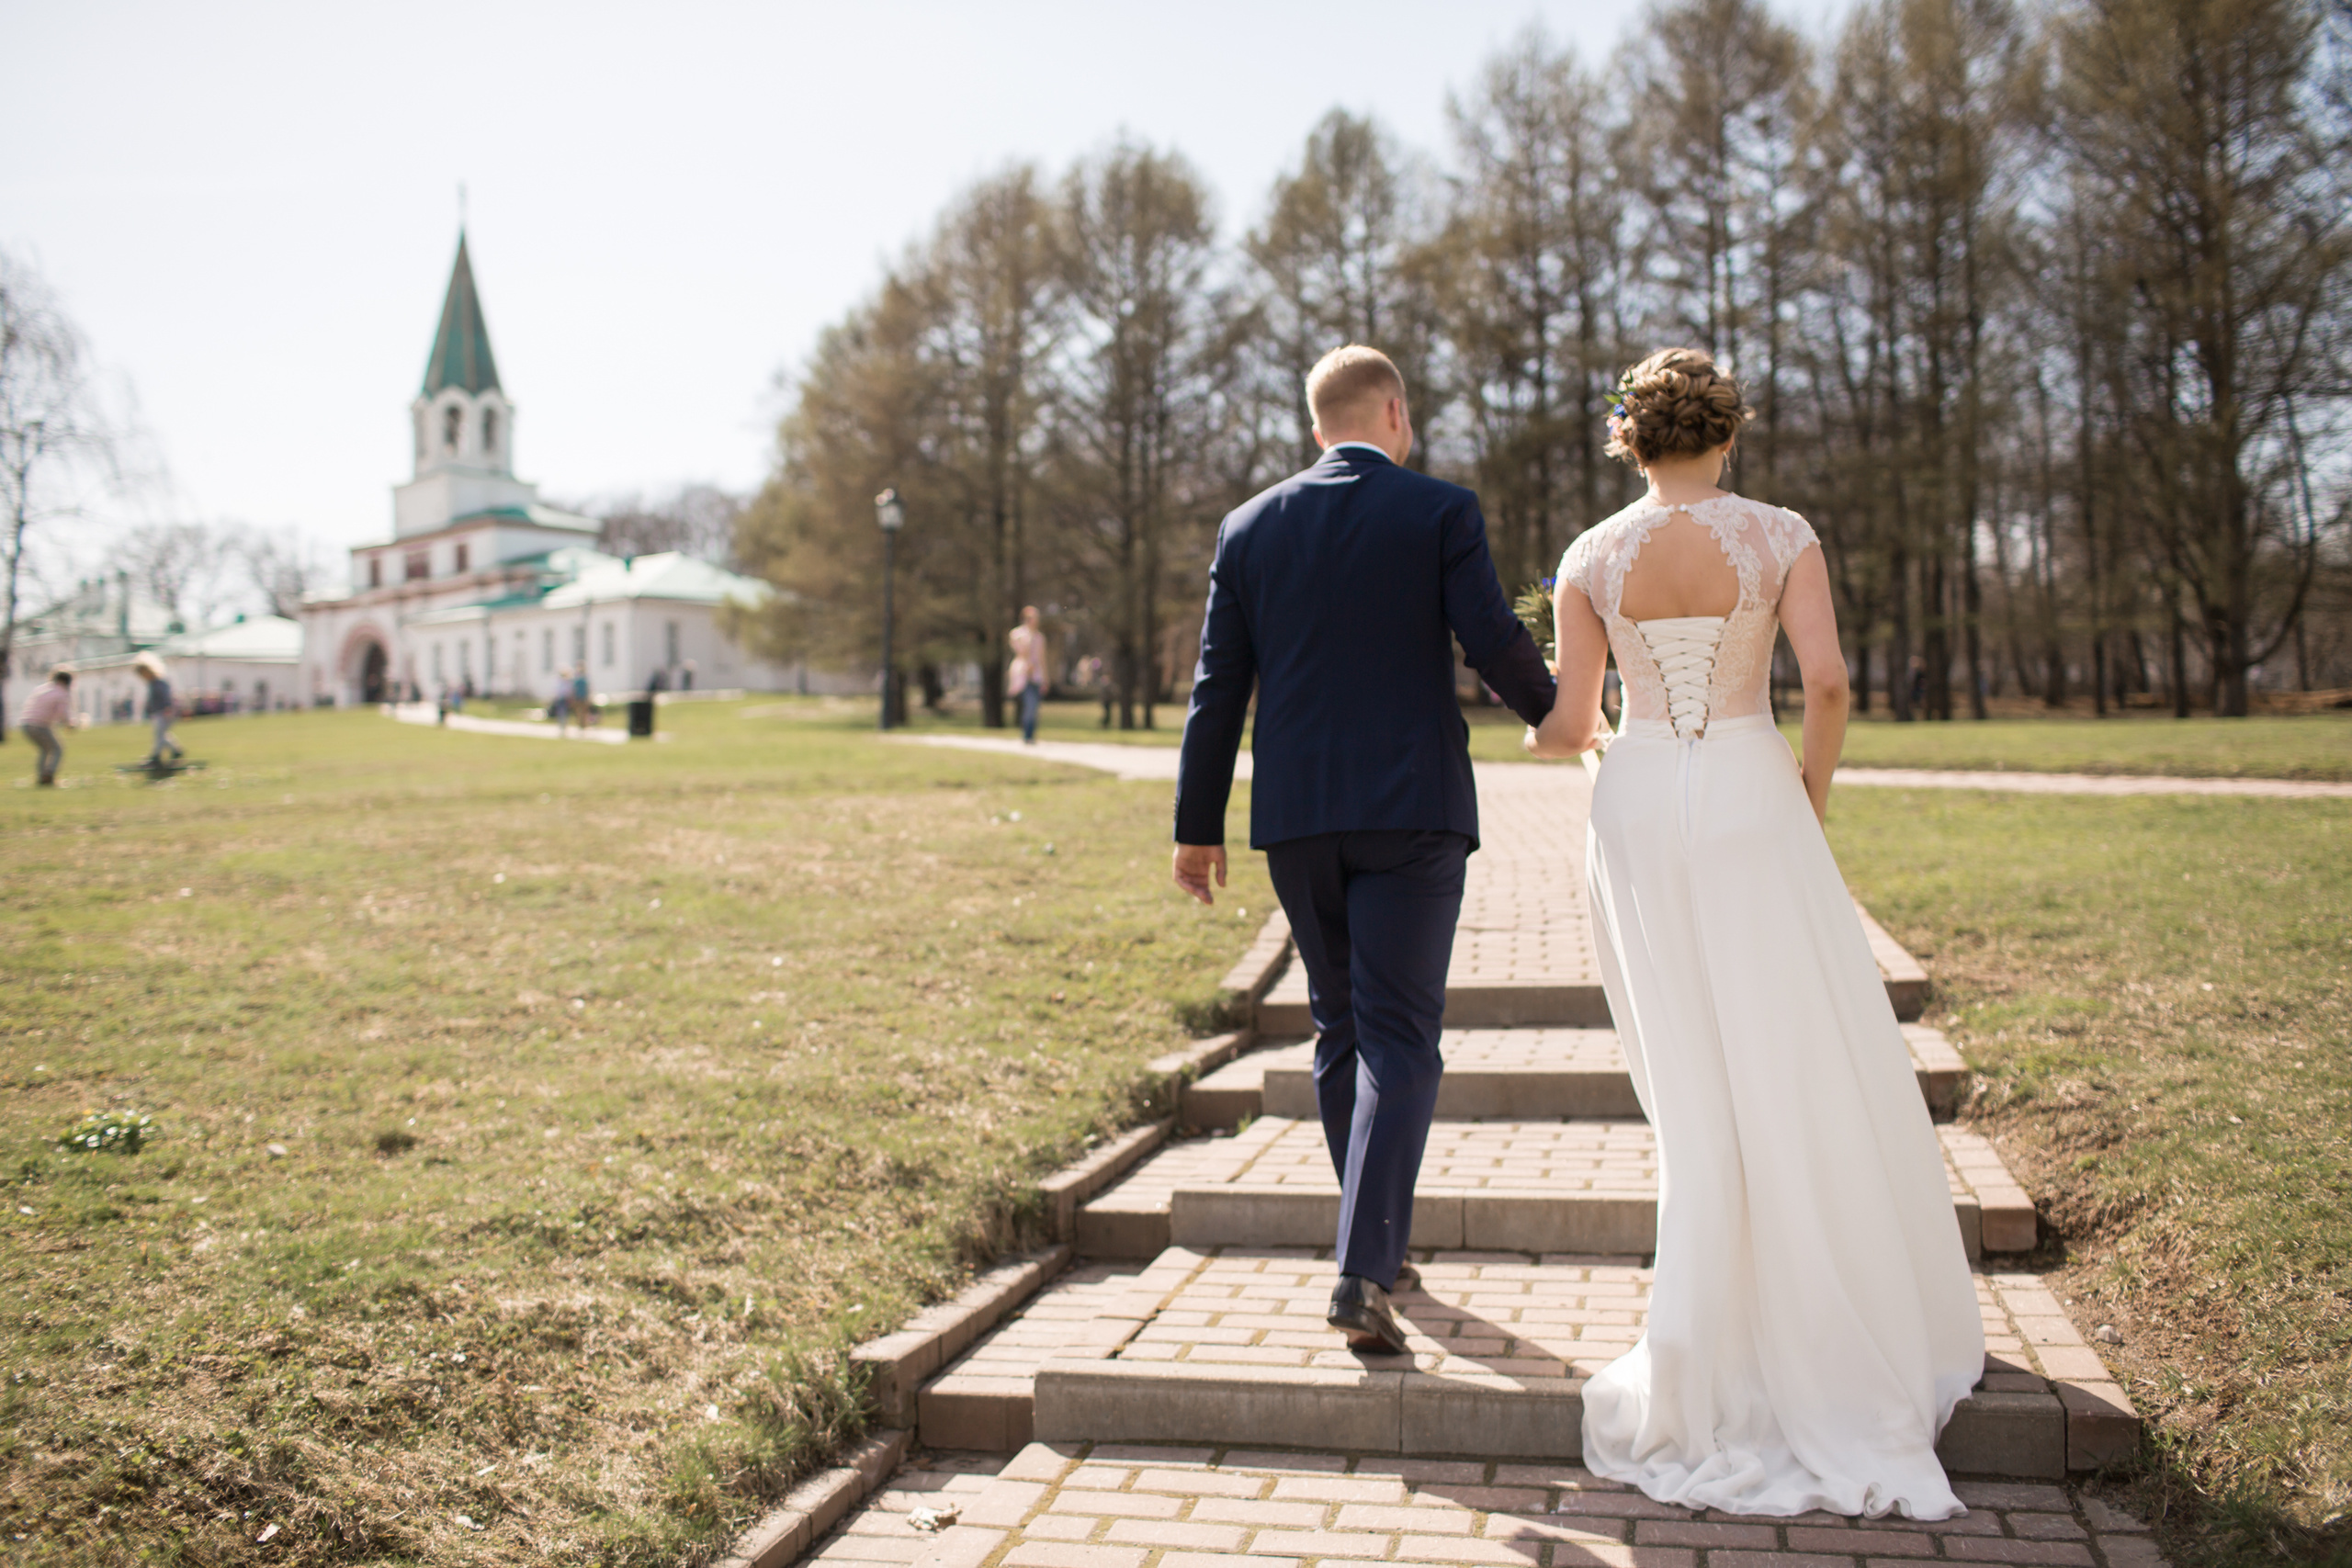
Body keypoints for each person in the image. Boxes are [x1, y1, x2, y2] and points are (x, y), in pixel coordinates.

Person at [1525, 347, 1981, 1518]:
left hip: (1636, 804)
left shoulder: (1590, 555)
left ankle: (1700, 1344)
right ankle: (1827, 1332)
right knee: (1791, 1053)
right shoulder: (1781, 535)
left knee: (1690, 1082)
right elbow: (1824, 683)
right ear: (1728, 435)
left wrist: (1544, 728)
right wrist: (1805, 799)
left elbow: (1571, 721)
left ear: (1629, 439)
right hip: (1747, 792)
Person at [1173, 344, 1556, 1354]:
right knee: (1400, 1038)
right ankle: (1361, 1269)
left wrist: (1195, 826)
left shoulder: (1249, 526)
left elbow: (1218, 688)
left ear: (1316, 429)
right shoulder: (1439, 510)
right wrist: (1564, 716)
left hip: (1297, 818)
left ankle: (1372, 1246)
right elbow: (1488, 638)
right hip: (1411, 811)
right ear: (1395, 414)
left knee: (1340, 1029)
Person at [18, 666, 73, 786]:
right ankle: (48, 775)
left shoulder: (41, 689)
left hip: (26, 724)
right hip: (39, 725)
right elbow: (62, 713)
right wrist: (69, 724)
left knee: (45, 749)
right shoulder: (61, 693)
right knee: (57, 749)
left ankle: (42, 776)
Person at [1007, 605, 1046, 744]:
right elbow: (1022, 652)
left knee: (1034, 706)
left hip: (1036, 674)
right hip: (1023, 673)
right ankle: (1027, 735)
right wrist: (1028, 637)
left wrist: (1045, 678)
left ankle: (1030, 734)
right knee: (1029, 704)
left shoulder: (1039, 637)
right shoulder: (1017, 634)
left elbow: (1041, 658)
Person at [134, 652, 182, 766]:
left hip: (164, 712)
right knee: (162, 734)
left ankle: (156, 757)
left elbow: (166, 696)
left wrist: (167, 708)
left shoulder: (159, 682)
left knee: (159, 735)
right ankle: (176, 751)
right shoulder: (152, 684)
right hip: (158, 712)